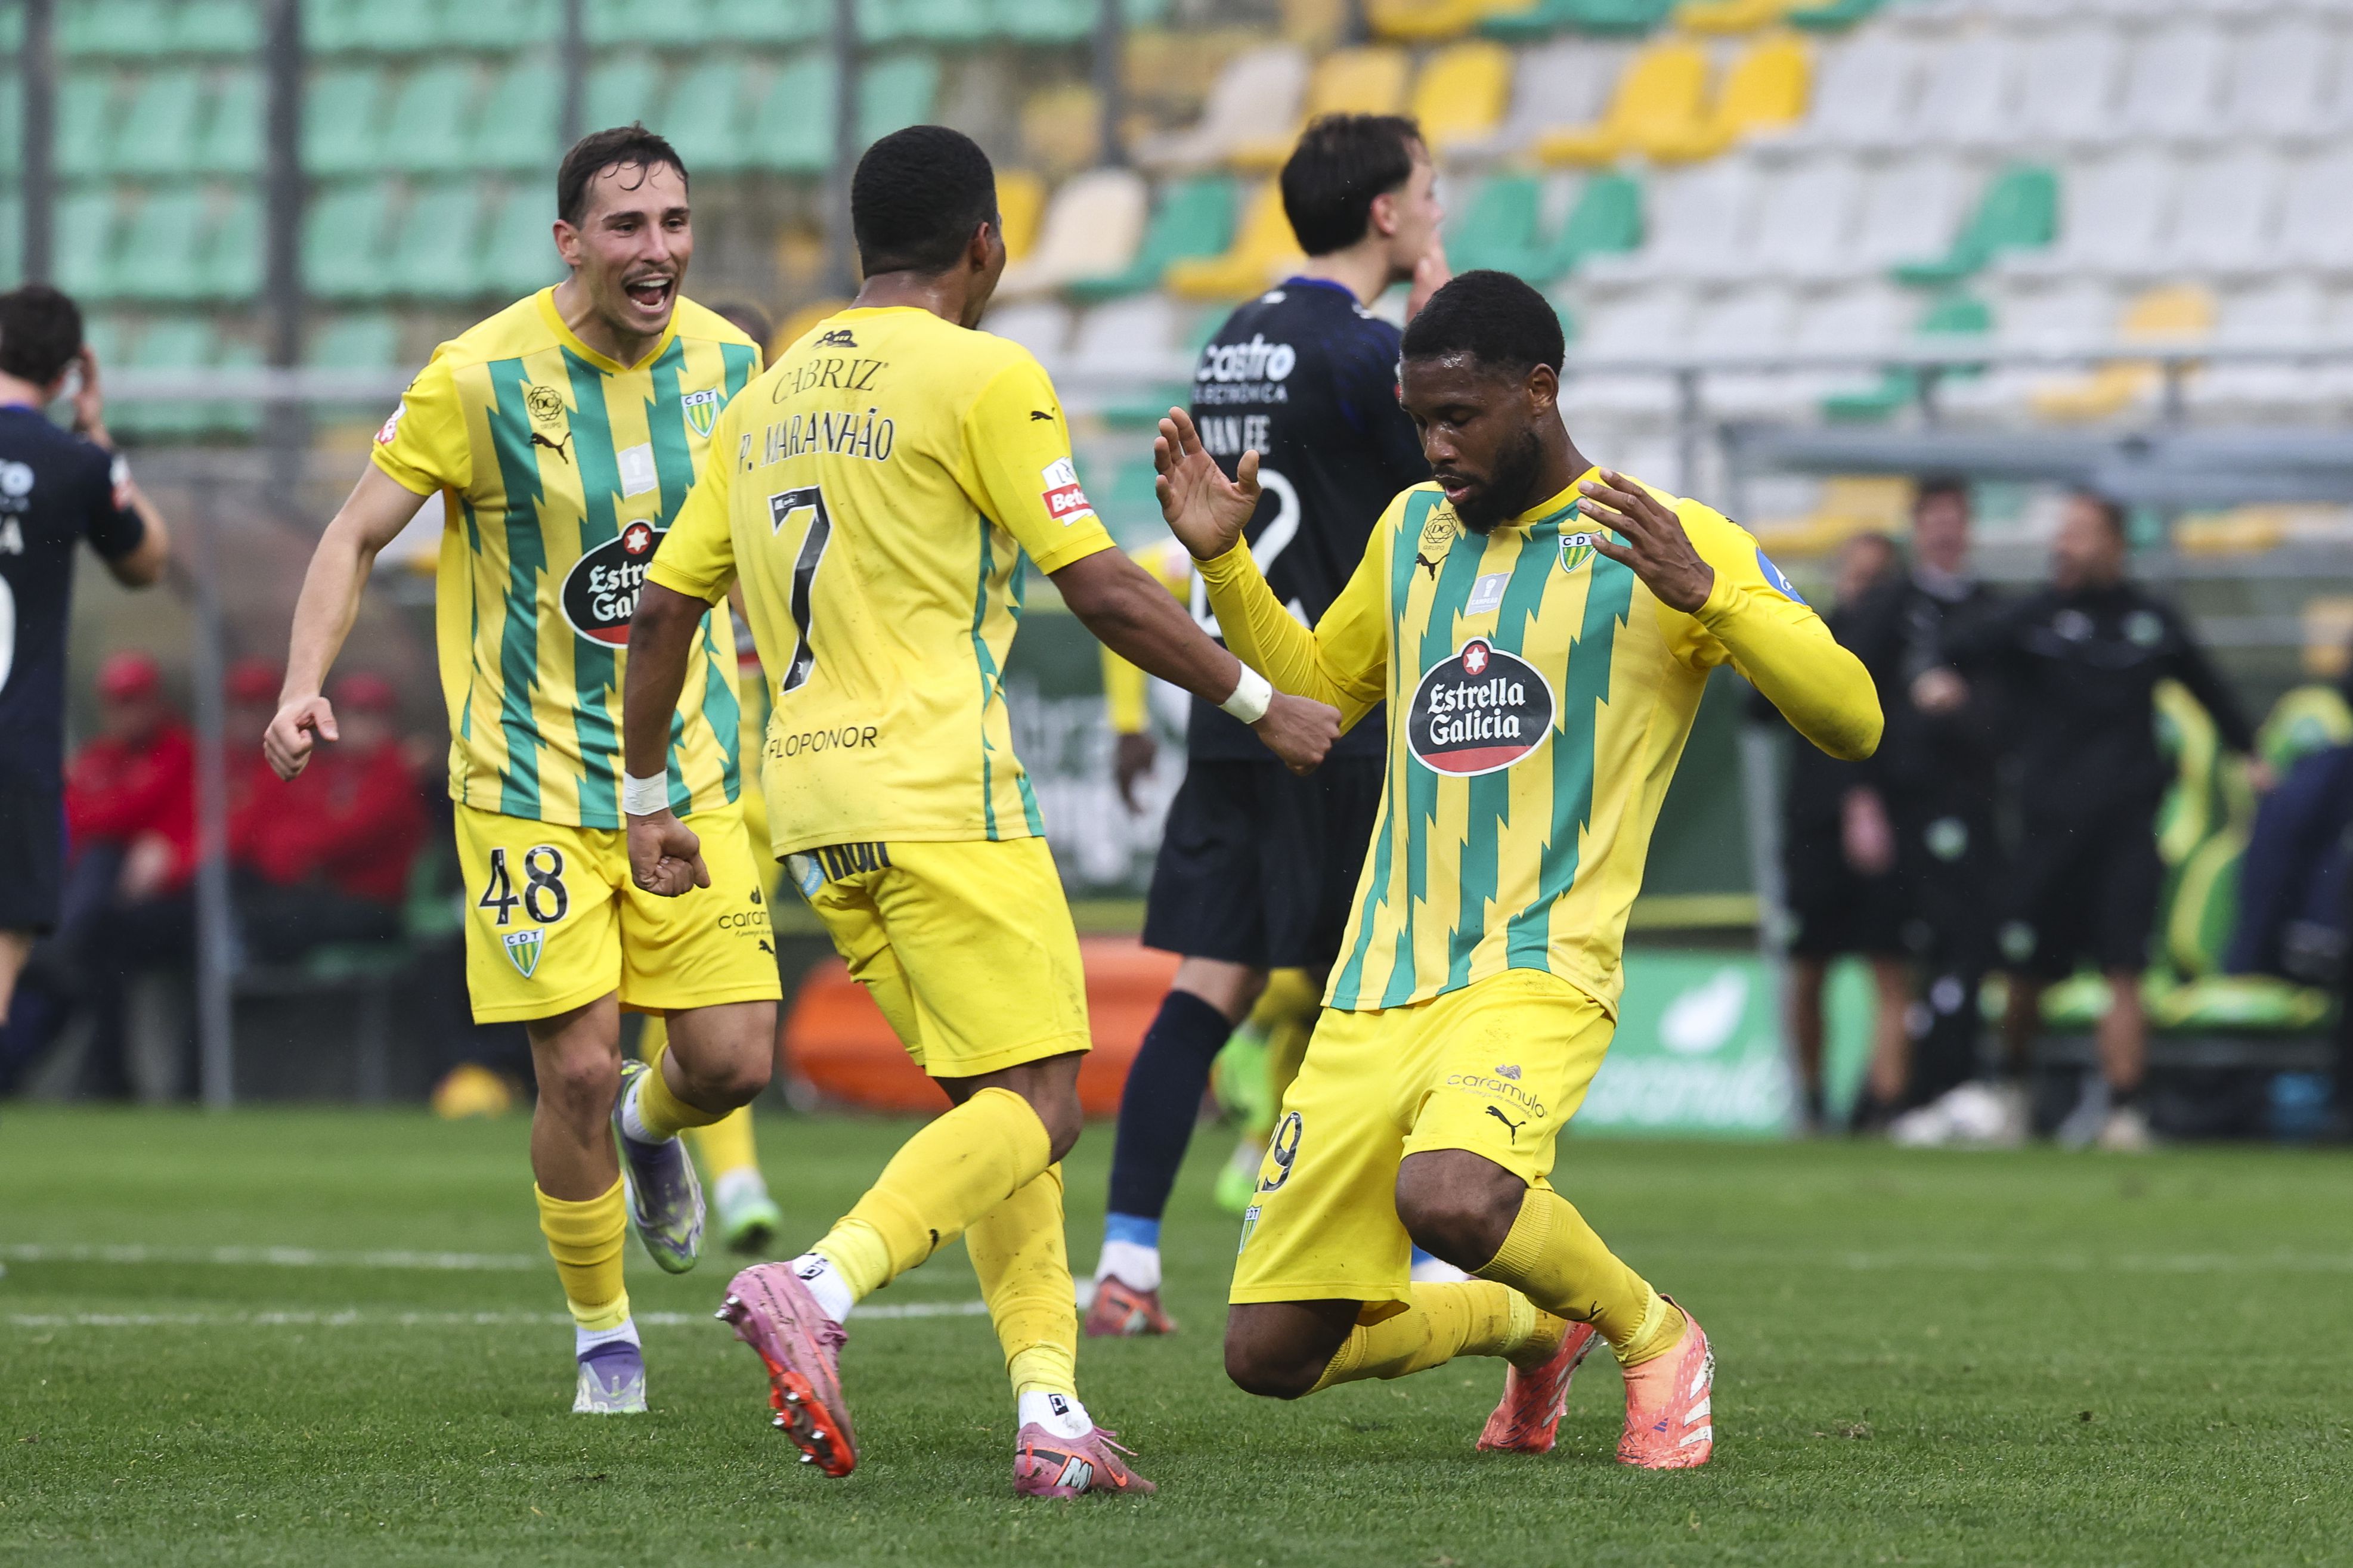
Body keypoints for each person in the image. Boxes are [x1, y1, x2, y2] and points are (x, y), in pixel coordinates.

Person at [620, 125, 1337, 1495]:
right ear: (985, 245)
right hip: (940, 791)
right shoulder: (984, 373)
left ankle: (1049, 1412)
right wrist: (1261, 701)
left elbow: (660, 613)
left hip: (811, 802)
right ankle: (818, 1284)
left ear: (860, 246)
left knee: (1002, 1105)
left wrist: (646, 796)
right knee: (1045, 1102)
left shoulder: (762, 400)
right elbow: (1102, 583)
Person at [1155, 270, 1880, 1469]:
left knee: (1450, 1194)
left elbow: (1852, 718)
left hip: (1537, 966)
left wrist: (1712, 599)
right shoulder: (1410, 531)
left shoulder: (1664, 540)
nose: (1434, 446)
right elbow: (1314, 702)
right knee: (1270, 1354)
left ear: (1538, 392)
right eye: (1418, 420)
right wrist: (1228, 567)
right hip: (1378, 980)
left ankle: (1654, 1333)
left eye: (1458, 417)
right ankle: (1533, 1328)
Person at [264, 125, 781, 1415]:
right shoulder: (476, 377)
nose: (656, 249)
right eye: (626, 226)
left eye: (673, 222)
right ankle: (605, 1338)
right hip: (525, 788)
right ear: (570, 242)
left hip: (687, 775)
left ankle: (654, 1132)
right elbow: (353, 533)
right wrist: (301, 682)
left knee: (731, 1063)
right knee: (577, 1070)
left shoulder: (734, 362)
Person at [1089, 112, 1448, 1334]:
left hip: (1237, 704)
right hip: (1337, 710)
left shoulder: (1233, 336)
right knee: (1399, 989)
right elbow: (1457, 487)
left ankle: (1127, 1261)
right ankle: (1426, 1258)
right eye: (1428, 191)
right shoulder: (1366, 353)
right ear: (1386, 213)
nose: (1437, 209)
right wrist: (1435, 331)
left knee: (1208, 988)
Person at [1939, 491, 2264, 1151]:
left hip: (2125, 828)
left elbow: (2210, 690)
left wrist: (2251, 754)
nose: (2066, 544)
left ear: (2114, 543)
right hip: (2047, 828)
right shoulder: (2034, 617)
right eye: (2063, 532)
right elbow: (1957, 650)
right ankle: (2015, 1091)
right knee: (2025, 970)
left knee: (2125, 968)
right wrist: (1939, 681)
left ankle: (2124, 1111)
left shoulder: (2149, 621)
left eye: (2081, 532)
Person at [0, 284, 169, 1035]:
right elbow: (147, 561)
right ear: (70, 371)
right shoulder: (75, 464)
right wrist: (97, 433)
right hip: (16, 756)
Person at [1835, 482, 2013, 1144]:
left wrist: (1968, 708)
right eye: (1934, 519)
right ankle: (1892, 1099)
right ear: (1917, 526)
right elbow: (1844, 696)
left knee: (1963, 949)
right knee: (1896, 959)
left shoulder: (1992, 611)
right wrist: (1860, 801)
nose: (1945, 531)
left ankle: (1946, 1087)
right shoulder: (1889, 607)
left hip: (1969, 807)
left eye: (1955, 519)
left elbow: (2011, 709)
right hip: (1899, 807)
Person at [1759, 529, 1908, 1132]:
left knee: (1890, 968)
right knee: (1810, 967)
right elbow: (1756, 709)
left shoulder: (1903, 649)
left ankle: (1883, 1107)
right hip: (1814, 827)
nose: (1862, 591)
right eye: (1855, 575)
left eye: (1876, 580)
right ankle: (1814, 1102)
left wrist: (1868, 803)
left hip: (1888, 826)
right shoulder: (1811, 639)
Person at [236, 671, 425, 964]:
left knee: (280, 922)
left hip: (378, 902)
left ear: (388, 722)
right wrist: (287, 851)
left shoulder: (393, 772)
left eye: (369, 715)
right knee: (258, 903)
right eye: (351, 714)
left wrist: (292, 850)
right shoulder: (335, 768)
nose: (358, 725)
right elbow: (296, 819)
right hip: (332, 891)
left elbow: (348, 834)